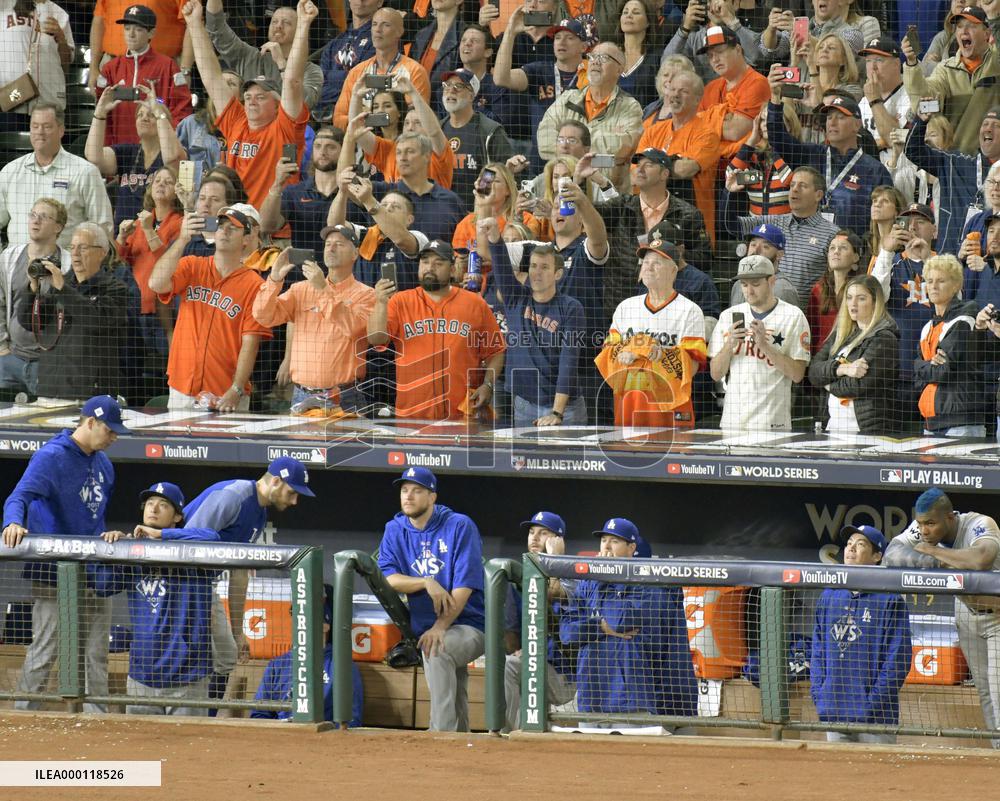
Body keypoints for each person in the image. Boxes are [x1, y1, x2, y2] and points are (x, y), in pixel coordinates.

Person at [2, 395, 129, 713]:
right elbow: (19, 496)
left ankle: (96, 722)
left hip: (92, 570)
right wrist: (13, 522)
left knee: (95, 654)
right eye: (110, 430)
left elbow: (95, 515)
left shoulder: (104, 463)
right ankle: (23, 717)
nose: (114, 437)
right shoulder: (52, 456)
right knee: (45, 651)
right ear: (90, 422)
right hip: (53, 571)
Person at [181, 456, 315, 707]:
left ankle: (210, 717)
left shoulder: (259, 514)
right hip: (180, 584)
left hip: (203, 586)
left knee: (227, 654)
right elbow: (184, 546)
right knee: (193, 658)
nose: (295, 501)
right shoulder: (233, 497)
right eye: (292, 492)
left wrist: (237, 630)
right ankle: (188, 719)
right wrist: (198, 603)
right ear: (276, 481)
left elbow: (240, 571)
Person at [883, 488, 1000, 748]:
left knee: (998, 691)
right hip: (967, 612)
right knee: (984, 692)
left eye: (930, 524)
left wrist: (933, 553)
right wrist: (937, 561)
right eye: (921, 524)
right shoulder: (923, 528)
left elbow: (981, 558)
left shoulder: (979, 524)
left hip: (997, 617)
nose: (924, 531)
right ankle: (997, 752)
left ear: (949, 517)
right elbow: (892, 553)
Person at [377, 466, 485, 732]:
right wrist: (426, 582)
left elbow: (464, 587)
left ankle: (441, 734)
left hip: (471, 624)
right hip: (429, 627)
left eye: (417, 491)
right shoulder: (394, 529)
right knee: (452, 682)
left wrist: (440, 626)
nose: (408, 496)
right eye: (404, 490)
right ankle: (460, 738)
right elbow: (388, 577)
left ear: (432, 497)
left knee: (436, 650)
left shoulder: (459, 525)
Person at [559, 517, 698, 722]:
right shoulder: (588, 583)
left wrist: (605, 578)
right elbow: (567, 633)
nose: (606, 547)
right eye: (604, 540)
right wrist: (600, 627)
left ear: (631, 547)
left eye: (614, 541)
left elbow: (620, 620)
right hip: (591, 697)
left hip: (631, 700)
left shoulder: (648, 585)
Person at [101, 482, 220, 716]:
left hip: (187, 675)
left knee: (187, 740)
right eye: (150, 503)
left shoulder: (194, 551)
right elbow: (104, 586)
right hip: (142, 676)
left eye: (163, 505)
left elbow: (213, 537)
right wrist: (114, 550)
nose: (154, 509)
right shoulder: (131, 551)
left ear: (177, 516)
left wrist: (161, 535)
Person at [184, 0, 313, 215]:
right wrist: (195, 24)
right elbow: (212, 77)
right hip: (231, 220)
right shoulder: (237, 121)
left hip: (269, 225)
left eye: (261, 97)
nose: (252, 101)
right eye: (248, 96)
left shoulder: (285, 129)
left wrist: (304, 24)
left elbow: (293, 82)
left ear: (278, 105)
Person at [148, 205, 273, 411]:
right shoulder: (192, 265)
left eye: (233, 228)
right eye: (221, 226)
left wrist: (237, 388)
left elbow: (250, 343)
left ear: (246, 239)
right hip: (182, 387)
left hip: (226, 393)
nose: (225, 231)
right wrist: (182, 240)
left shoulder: (255, 285)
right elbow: (156, 283)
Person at [367, 240, 505, 419]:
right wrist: (381, 303)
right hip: (412, 414)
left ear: (453, 269)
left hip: (462, 413)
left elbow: (496, 351)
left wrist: (488, 384)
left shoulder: (475, 304)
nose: (429, 268)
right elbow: (376, 339)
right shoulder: (400, 302)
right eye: (425, 262)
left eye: (438, 263)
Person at [252, 228, 376, 413]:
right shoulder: (300, 289)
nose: (331, 248)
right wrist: (274, 279)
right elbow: (263, 316)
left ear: (355, 253)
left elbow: (353, 328)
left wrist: (322, 288)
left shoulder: (367, 295)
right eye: (328, 244)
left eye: (339, 244)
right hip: (302, 394)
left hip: (345, 395)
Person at [810, 524, 911, 744]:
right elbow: (817, 651)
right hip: (833, 711)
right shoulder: (829, 595)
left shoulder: (890, 599)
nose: (851, 548)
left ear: (877, 556)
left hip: (876, 720)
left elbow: (898, 662)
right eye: (849, 544)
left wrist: (870, 704)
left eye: (861, 544)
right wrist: (820, 696)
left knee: (877, 767)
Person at [482, 218, 586, 426]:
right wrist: (494, 237)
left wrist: (557, 413)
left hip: (564, 408)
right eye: (534, 266)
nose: (537, 272)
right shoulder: (515, 298)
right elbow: (501, 267)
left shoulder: (571, 308)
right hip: (524, 404)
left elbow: (569, 361)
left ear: (557, 274)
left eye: (545, 267)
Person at [764, 72, 892, 239]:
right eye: (829, 117)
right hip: (809, 246)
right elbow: (777, 137)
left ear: (857, 125)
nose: (832, 122)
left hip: (851, 249)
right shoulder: (810, 155)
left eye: (840, 117)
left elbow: (885, 218)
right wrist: (775, 98)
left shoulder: (875, 170)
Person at [596, 238, 707, 428]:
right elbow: (607, 355)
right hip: (629, 403)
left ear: (673, 271)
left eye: (657, 263)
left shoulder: (690, 310)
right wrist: (643, 348)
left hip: (670, 407)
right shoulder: (626, 307)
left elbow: (693, 366)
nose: (648, 267)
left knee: (674, 448)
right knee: (626, 446)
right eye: (645, 262)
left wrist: (658, 354)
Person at [18, 223, 127, 403]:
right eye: (72, 247)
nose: (75, 253)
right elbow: (29, 322)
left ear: (102, 253)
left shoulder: (115, 288)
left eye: (82, 248)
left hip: (90, 392)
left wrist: (63, 290)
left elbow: (96, 321)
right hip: (50, 388)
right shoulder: (61, 284)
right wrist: (33, 288)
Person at [597, 148, 712, 319]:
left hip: (668, 306)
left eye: (649, 165)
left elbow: (705, 258)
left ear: (665, 174)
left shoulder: (688, 214)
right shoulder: (621, 205)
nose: (640, 169)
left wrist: (677, 255)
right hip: (620, 302)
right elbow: (588, 215)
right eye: (638, 165)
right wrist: (579, 180)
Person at [709, 254, 811, 432]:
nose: (749, 291)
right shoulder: (728, 316)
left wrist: (765, 346)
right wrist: (729, 345)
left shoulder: (793, 316)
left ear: (771, 281)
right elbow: (716, 374)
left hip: (772, 420)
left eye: (755, 284)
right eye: (744, 284)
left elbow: (797, 374)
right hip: (733, 420)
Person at [723, 165, 840, 307]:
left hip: (807, 315)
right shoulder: (772, 222)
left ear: (818, 195)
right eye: (792, 185)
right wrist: (731, 192)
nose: (794, 189)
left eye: (802, 186)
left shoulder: (832, 234)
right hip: (766, 310)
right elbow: (733, 226)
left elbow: (836, 279)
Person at [0, 104, 114, 248]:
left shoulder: (85, 172)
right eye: (35, 126)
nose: (40, 132)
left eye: (47, 126)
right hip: (16, 260)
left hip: (67, 260)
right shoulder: (10, 171)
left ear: (61, 130)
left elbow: (102, 228)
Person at [503, 511, 576, 731]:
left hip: (566, 675)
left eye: (543, 533)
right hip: (538, 665)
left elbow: (552, 593)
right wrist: (521, 650)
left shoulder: (572, 573)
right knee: (510, 663)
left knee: (513, 666)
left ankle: (511, 733)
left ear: (558, 540)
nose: (534, 538)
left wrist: (555, 560)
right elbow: (510, 634)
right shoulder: (520, 576)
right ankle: (521, 733)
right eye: (531, 532)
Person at [251, 583, 364, 725]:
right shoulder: (277, 665)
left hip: (322, 735)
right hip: (282, 734)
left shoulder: (342, 666)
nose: (301, 625)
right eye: (298, 619)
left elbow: (352, 720)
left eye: (307, 619)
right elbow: (259, 714)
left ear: (326, 625)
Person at [901, 5, 1000, 157]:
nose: (964, 31)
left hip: (994, 159)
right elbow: (924, 100)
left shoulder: (996, 63)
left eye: (971, 26)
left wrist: (994, 17)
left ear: (986, 33)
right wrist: (912, 64)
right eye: (959, 26)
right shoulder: (946, 69)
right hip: (956, 160)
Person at [636, 70, 721, 245]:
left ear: (697, 99)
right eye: (672, 89)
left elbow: (685, 170)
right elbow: (635, 173)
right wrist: (674, 161)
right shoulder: (652, 131)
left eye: (683, 91)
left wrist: (652, 165)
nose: (675, 94)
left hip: (692, 229)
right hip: (649, 224)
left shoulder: (707, 134)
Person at [807, 274, 899, 434]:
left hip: (866, 430)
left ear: (875, 302)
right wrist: (841, 369)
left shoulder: (884, 338)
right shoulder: (841, 334)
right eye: (849, 298)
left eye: (861, 298)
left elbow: (856, 386)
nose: (853, 304)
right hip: (832, 426)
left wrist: (826, 384)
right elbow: (813, 372)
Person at [87, 84, 187, 230]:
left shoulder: (176, 153)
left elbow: (172, 157)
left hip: (161, 234)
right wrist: (100, 113)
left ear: (163, 123)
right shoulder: (127, 152)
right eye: (140, 115)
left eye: (151, 115)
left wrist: (158, 110)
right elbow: (93, 157)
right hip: (123, 235)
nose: (144, 118)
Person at [493, 15, 587, 171]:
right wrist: (510, 33)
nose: (561, 42)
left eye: (569, 38)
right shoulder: (538, 70)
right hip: (542, 161)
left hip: (579, 161)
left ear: (583, 47)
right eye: (557, 38)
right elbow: (500, 79)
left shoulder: (591, 75)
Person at [904, 105, 1000, 256]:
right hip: (948, 260)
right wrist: (921, 121)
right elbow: (913, 151)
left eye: (996, 125)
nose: (988, 129)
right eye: (985, 124)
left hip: (986, 263)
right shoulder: (953, 163)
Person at [0, 199, 72, 397]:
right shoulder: (9, 257)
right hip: (10, 359)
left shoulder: (68, 263)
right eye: (32, 215)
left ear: (58, 227)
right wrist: (2, 348)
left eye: (44, 217)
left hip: (49, 362)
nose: (35, 220)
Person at [94, 4, 193, 145]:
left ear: (151, 33)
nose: (131, 34)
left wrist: (168, 144)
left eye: (138, 29)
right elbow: (102, 114)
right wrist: (107, 148)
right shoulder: (110, 69)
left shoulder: (168, 66)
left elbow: (181, 111)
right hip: (117, 150)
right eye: (127, 28)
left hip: (158, 150)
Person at [536, 41, 643, 168]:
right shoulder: (567, 99)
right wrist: (596, 152)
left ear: (619, 70)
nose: (595, 62)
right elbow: (544, 142)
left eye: (604, 58)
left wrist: (566, 143)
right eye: (592, 56)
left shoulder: (630, 107)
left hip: (605, 181)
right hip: (563, 177)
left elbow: (623, 151)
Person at [205, 1, 325, 111]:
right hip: (247, 124)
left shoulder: (311, 70)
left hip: (284, 126)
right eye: (274, 21)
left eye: (286, 22)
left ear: (299, 31)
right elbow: (216, 28)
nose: (278, 26)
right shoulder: (250, 56)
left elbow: (305, 103)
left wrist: (282, 63)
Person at [116, 166, 184, 355]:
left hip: (164, 310)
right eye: (157, 181)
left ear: (177, 192)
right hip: (135, 308)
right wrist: (121, 238)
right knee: (136, 367)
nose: (161, 184)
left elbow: (168, 263)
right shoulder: (139, 222)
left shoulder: (180, 224)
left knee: (165, 364)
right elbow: (119, 262)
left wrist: (148, 230)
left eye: (168, 182)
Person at [915, 254, 985, 437]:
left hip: (961, 421)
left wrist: (922, 365)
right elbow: (917, 375)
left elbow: (943, 371)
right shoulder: (927, 328)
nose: (933, 286)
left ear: (956, 286)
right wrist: (925, 365)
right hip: (930, 420)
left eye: (941, 281)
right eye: (930, 281)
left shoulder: (965, 319)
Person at [333, 7, 431, 130]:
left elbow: (416, 120)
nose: (378, 30)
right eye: (374, 24)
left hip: (399, 140)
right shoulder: (357, 72)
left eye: (386, 25)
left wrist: (364, 118)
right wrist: (377, 119)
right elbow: (338, 119)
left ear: (400, 31)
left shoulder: (415, 71)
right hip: (361, 139)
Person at [260, 125, 342, 265]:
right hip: (302, 272)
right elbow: (266, 226)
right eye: (317, 146)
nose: (322, 152)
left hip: (346, 273)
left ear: (345, 152)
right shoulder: (294, 192)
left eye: (331, 147)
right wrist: (277, 184)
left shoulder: (355, 193)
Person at [440, 68, 515, 208]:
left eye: (459, 86)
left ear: (472, 95)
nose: (451, 90)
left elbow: (499, 172)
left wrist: (481, 200)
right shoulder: (437, 130)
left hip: (478, 211)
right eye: (447, 85)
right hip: (443, 210)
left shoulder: (490, 131)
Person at [0, 0, 72, 133]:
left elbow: (67, 63)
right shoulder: (5, 5)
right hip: (13, 99)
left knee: (46, 145)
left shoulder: (59, 13)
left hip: (48, 100)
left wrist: (61, 38)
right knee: (11, 143)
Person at [89, 0, 189, 93]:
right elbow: (99, 20)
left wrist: (185, 71)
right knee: (108, 105)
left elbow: (191, 23)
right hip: (112, 65)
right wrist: (93, 68)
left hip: (162, 68)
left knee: (161, 106)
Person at [697, 25, 770, 150]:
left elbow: (735, 131)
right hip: (709, 158)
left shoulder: (757, 83)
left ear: (737, 49)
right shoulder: (710, 88)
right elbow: (692, 127)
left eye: (720, 52)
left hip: (743, 160)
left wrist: (708, 118)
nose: (715, 59)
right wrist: (723, 120)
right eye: (710, 55)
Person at [663, 0, 760, 84]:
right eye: (710, 0)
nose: (715, 5)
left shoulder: (746, 35)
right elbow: (667, 63)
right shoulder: (694, 38)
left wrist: (732, 22)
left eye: (722, 0)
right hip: (705, 97)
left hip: (739, 96)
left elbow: (757, 57)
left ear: (736, 4)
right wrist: (685, 28)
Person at [315, 0, 381, 120]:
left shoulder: (380, 39)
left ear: (380, 2)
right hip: (324, 115)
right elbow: (318, 86)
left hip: (359, 117)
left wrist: (333, 79)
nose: (360, 0)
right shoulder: (335, 43)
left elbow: (362, 85)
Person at [726, 104, 796, 217]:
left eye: (771, 119)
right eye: (762, 120)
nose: (765, 124)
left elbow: (788, 179)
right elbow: (730, 178)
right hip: (756, 227)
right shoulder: (754, 158)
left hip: (785, 227)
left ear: (789, 125)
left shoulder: (797, 153)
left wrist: (776, 141)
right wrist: (752, 140)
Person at [807, 229, 864, 351]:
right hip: (821, 357)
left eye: (843, 248)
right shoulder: (818, 289)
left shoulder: (862, 289)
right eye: (832, 248)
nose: (836, 252)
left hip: (850, 355)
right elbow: (812, 330)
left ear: (855, 257)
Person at [757, 0, 863, 66]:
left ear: (840, 1)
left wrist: (800, 31)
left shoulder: (852, 33)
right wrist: (771, 28)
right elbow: (768, 49)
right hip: (797, 93)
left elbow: (835, 52)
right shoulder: (800, 27)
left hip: (830, 94)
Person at [857, 37, 909, 170]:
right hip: (867, 172)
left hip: (901, 171)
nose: (872, 67)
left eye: (879, 60)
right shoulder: (863, 102)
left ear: (896, 64)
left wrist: (875, 100)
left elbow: (898, 141)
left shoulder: (910, 97)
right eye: (868, 61)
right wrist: (880, 142)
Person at [729, 222, 800, 308]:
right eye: (753, 244)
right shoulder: (738, 284)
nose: (756, 250)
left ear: (779, 254)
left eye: (765, 246)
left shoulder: (783, 289)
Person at [610, 0, 662, 111]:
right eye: (625, 12)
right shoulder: (608, 55)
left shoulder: (658, 57)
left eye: (636, 12)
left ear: (648, 21)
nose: (629, 15)